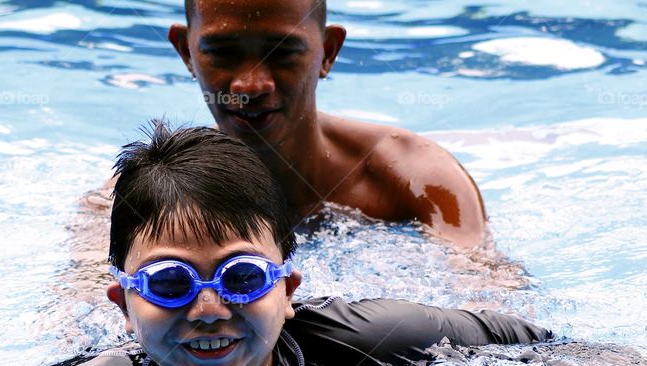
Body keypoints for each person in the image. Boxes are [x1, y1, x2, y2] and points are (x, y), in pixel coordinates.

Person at [25, 124, 550, 366]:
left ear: (287, 290)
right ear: (124, 305)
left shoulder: (372, 341)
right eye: (170, 283)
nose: (208, 311)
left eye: (243, 278)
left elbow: (532, 340)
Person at [166, 0, 488, 247]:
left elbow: (493, 308)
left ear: (328, 52)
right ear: (186, 52)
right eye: (222, 52)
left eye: (283, 53)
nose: (251, 85)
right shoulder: (163, 185)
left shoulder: (418, 182)